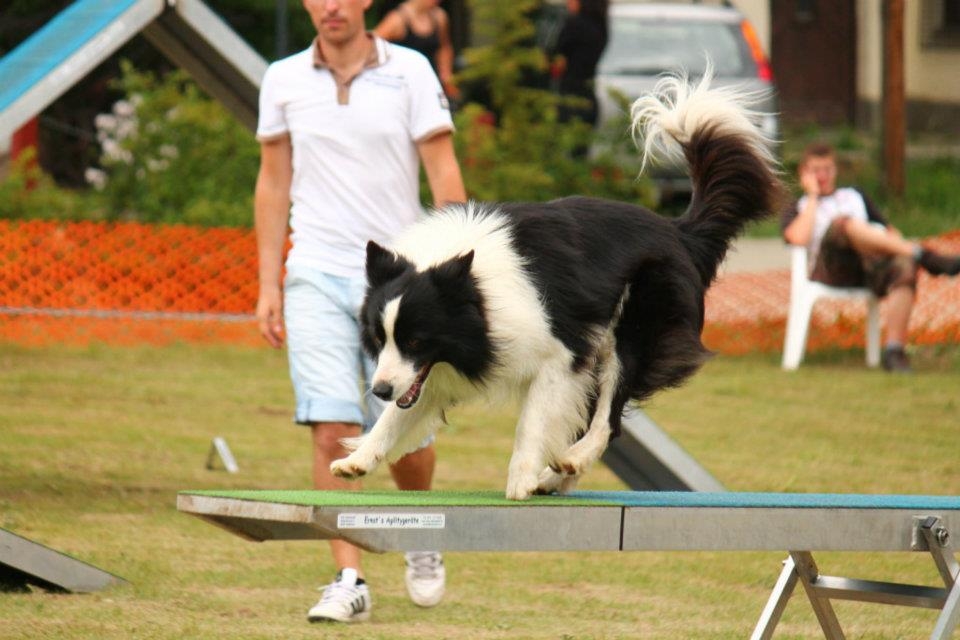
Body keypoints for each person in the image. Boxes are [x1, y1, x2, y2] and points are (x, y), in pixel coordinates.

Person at [254, 0, 466, 624]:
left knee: (404, 432)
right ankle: (349, 578)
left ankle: (420, 534)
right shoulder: (283, 79)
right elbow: (273, 182)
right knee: (330, 426)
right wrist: (268, 283)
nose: (331, 6)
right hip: (313, 272)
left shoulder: (411, 71)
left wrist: (451, 272)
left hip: (399, 277)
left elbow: (443, 171)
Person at [781, 142, 960, 372]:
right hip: (832, 270)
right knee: (844, 224)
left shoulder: (854, 196)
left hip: (869, 267)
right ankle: (925, 255)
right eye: (816, 170)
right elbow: (797, 239)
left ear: (835, 170)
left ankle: (894, 351)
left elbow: (891, 233)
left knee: (905, 265)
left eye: (827, 169)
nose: (823, 176)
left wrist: (893, 249)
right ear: (804, 173)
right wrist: (813, 196)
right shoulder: (800, 206)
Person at [374, 0, 459, 102]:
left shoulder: (439, 17)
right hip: (403, 88)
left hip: (430, 84)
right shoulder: (397, 20)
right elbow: (372, 46)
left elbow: (444, 47)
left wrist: (446, 75)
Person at [551, 0, 609, 132]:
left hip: (569, 100)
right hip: (588, 99)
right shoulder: (601, 25)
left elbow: (557, 59)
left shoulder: (574, 25)